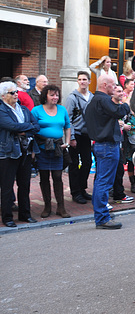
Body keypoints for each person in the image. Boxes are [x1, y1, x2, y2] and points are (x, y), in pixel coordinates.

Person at [85, 74, 131, 229]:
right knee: (104, 182)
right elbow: (119, 111)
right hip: (107, 146)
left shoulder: (95, 100)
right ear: (105, 85)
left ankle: (102, 213)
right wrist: (125, 102)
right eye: (113, 84)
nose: (116, 87)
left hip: (101, 145)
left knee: (102, 181)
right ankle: (102, 218)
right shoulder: (103, 100)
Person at [0, 82, 40, 227]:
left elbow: (36, 126)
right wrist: (26, 127)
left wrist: (23, 130)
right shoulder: (2, 110)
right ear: (3, 96)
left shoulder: (23, 109)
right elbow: (10, 126)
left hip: (26, 151)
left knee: (25, 184)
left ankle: (25, 214)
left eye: (16, 92)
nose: (16, 94)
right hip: (9, 153)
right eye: (12, 93)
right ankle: (7, 217)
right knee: (7, 186)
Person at [31, 84, 72, 219]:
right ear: (45, 96)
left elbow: (67, 127)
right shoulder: (36, 111)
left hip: (58, 149)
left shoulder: (62, 110)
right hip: (42, 148)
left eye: (56, 95)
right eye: (52, 95)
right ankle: (47, 206)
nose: (55, 97)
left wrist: (66, 142)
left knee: (57, 176)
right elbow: (32, 129)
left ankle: (61, 207)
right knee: (44, 178)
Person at [64, 71, 94, 205]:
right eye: (80, 79)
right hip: (76, 135)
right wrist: (71, 137)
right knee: (74, 164)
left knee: (87, 162)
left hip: (87, 135)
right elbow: (68, 119)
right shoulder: (72, 98)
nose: (82, 81)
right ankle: (75, 192)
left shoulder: (92, 97)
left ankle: (82, 188)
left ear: (89, 81)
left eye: (84, 79)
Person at [110, 84, 134, 205]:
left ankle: (118, 194)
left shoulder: (121, 107)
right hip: (109, 143)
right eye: (118, 91)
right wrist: (121, 125)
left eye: (121, 92)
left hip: (120, 141)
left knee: (119, 169)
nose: (121, 93)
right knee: (106, 171)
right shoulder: (110, 106)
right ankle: (108, 195)